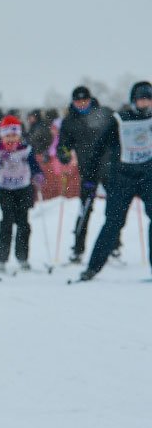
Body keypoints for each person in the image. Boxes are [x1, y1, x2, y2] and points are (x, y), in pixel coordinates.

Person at [79, 81, 152, 281]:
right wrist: (90, 177)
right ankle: (92, 268)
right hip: (122, 178)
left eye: (148, 100)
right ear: (133, 101)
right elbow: (98, 148)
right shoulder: (120, 120)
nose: (145, 104)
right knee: (113, 223)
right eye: (141, 99)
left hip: (148, 177)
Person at [58, 85, 118, 262]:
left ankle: (114, 246)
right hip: (88, 169)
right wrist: (64, 154)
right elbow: (64, 143)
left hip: (110, 167)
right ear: (73, 102)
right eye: (78, 101)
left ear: (91, 100)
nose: (82, 104)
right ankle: (78, 248)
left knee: (115, 208)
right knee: (85, 209)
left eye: (85, 100)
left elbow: (119, 134)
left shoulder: (105, 114)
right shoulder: (70, 121)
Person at [0, 115, 43, 271]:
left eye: (14, 135)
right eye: (7, 136)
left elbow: (34, 165)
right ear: (2, 136)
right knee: (7, 222)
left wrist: (38, 174)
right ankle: (1, 258)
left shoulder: (26, 149)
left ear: (19, 135)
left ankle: (22, 256)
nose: (11, 140)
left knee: (23, 223)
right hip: (5, 189)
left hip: (23, 188)